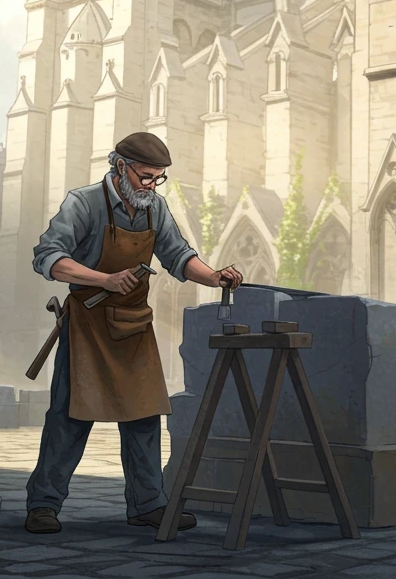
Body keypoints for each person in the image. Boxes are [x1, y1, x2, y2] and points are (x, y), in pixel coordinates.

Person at [24, 132, 243, 535]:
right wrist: (104, 279)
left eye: (158, 178)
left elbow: (178, 255)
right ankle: (43, 504)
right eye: (146, 176)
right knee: (70, 417)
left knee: (144, 415)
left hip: (134, 324)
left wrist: (214, 277)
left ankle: (148, 505)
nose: (152, 186)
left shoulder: (154, 208)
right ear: (121, 167)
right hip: (89, 325)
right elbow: (49, 258)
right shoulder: (84, 203)